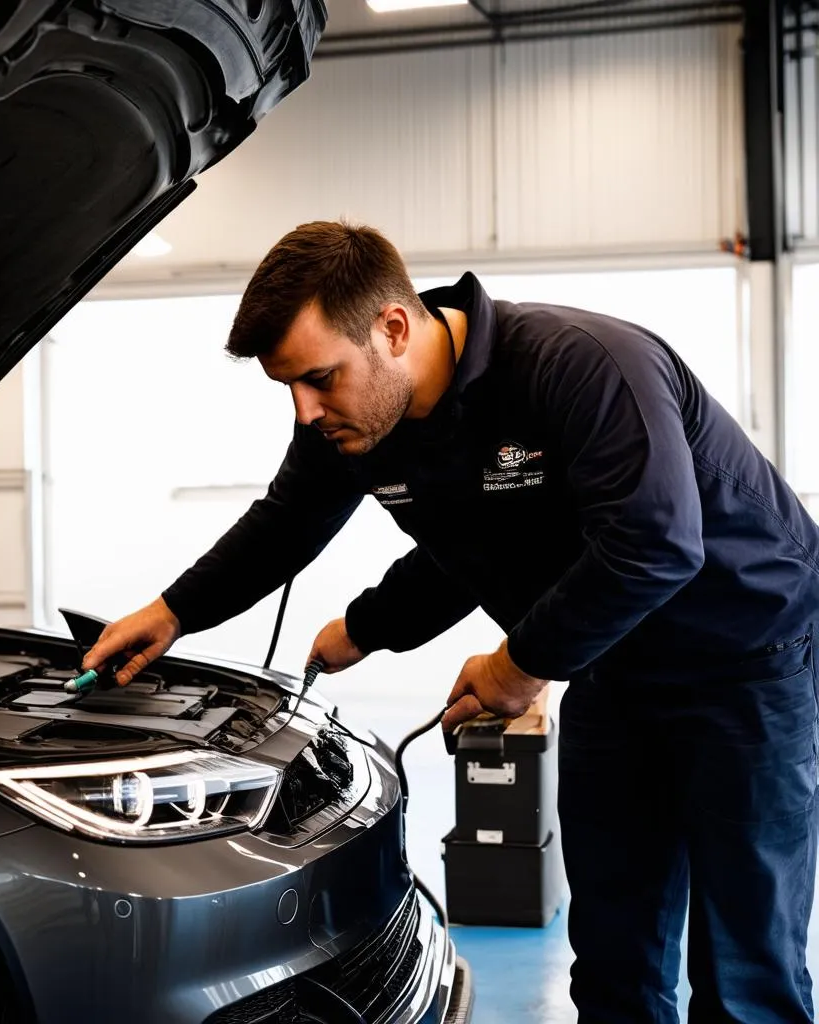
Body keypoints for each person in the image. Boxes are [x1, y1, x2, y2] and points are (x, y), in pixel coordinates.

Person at [82, 220, 819, 1023]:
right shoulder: (360, 419)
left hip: (746, 661)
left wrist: (516, 666)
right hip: (612, 669)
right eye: (287, 387)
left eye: (320, 378)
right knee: (614, 948)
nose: (305, 411)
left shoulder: (582, 365)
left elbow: (655, 545)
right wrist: (179, 612)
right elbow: (311, 526)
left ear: (393, 329)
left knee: (743, 967)